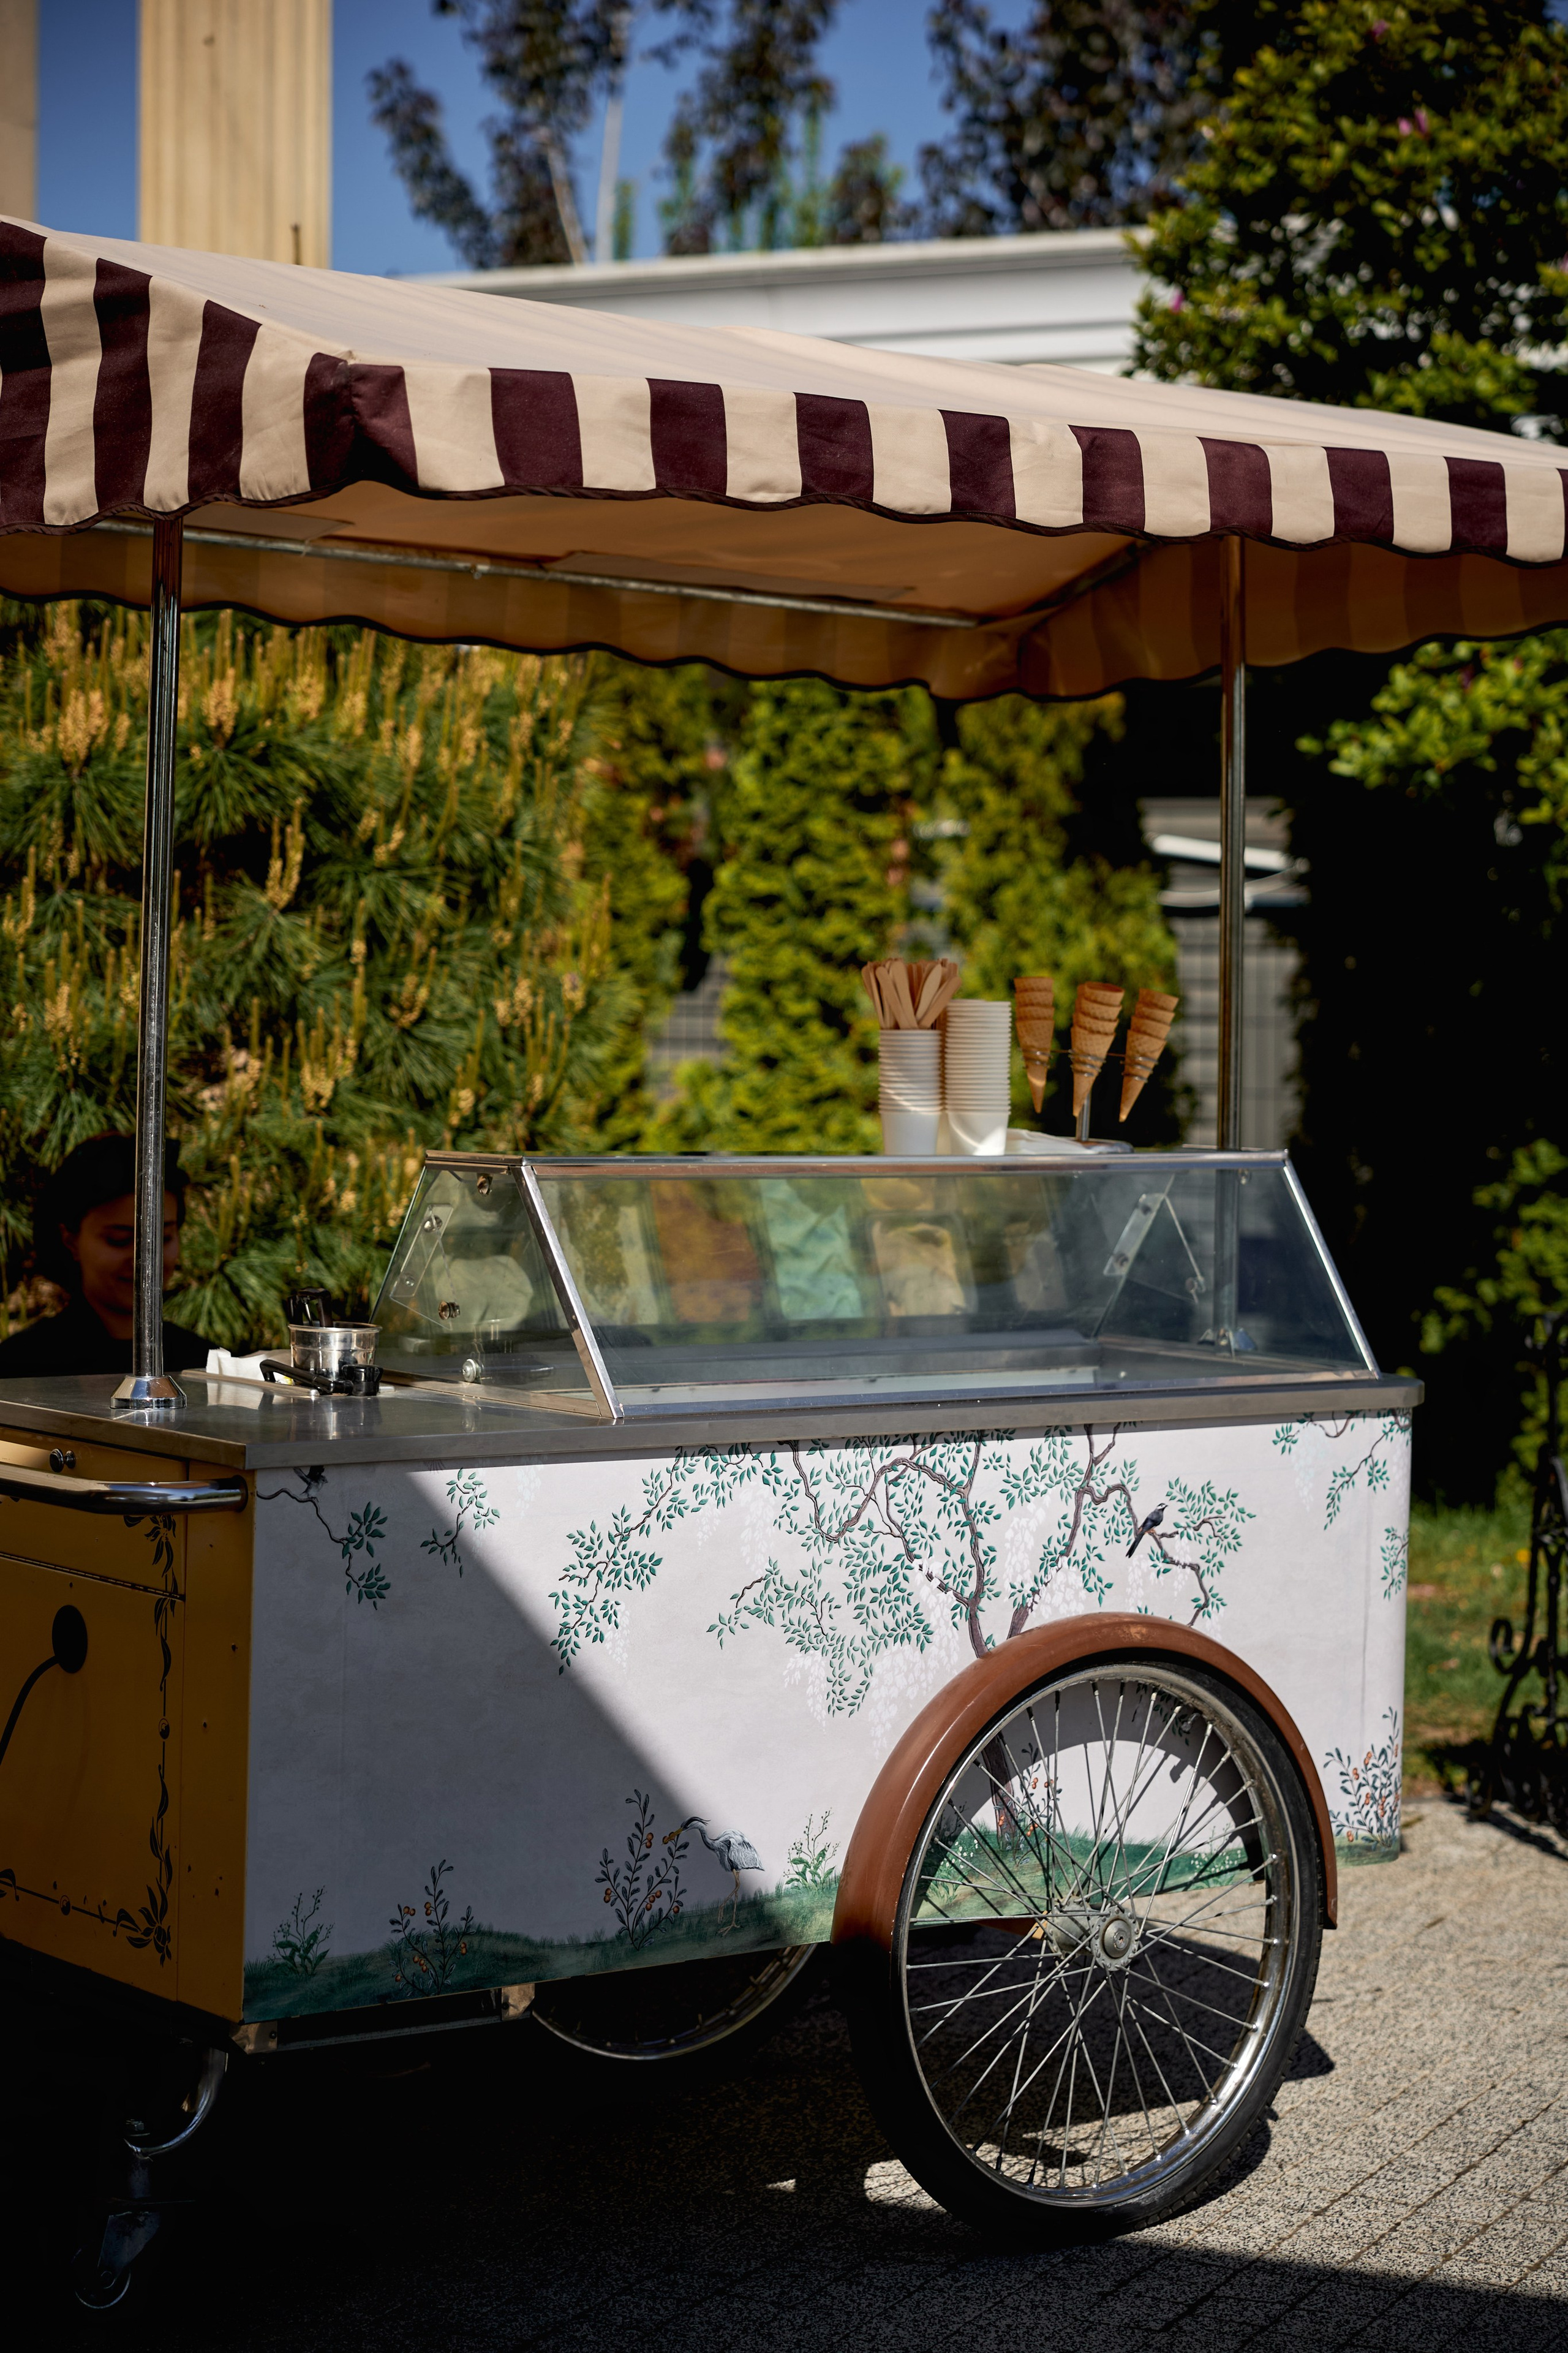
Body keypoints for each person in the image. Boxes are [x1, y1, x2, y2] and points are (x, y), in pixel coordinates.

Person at [0, 1133, 211, 1379]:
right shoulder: (20, 1368)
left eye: (163, 1239)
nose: (144, 1262)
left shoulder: (203, 1365)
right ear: (71, 1241)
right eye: (119, 1240)